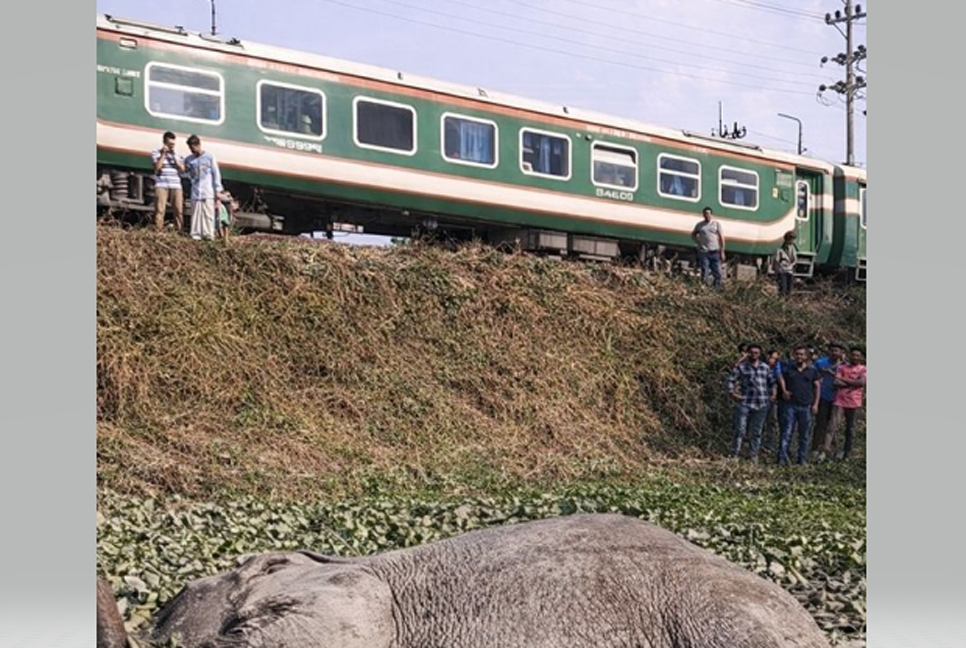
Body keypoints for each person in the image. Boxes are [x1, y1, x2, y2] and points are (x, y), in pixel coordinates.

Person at [727, 343, 776, 463]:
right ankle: (735, 454)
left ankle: (753, 455)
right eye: (752, 352)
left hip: (762, 403)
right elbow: (731, 380)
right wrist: (732, 393)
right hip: (745, 402)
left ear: (760, 354)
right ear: (748, 353)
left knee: (757, 431)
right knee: (740, 430)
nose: (754, 355)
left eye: (757, 353)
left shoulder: (765, 367)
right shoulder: (742, 367)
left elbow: (772, 382)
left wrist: (773, 394)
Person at [777, 345, 822, 465]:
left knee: (804, 434)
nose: (799, 356)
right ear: (794, 355)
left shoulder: (812, 370)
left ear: (806, 356)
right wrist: (784, 390)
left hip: (806, 406)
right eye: (797, 354)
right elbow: (779, 377)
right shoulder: (788, 369)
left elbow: (817, 387)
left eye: (802, 354)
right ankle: (782, 458)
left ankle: (802, 459)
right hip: (790, 405)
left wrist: (816, 404)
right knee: (787, 432)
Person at [825, 346, 867, 460]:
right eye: (853, 355)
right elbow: (836, 382)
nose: (855, 357)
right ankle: (827, 451)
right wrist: (854, 382)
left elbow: (861, 383)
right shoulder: (841, 367)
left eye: (858, 355)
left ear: (861, 357)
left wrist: (844, 379)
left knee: (850, 429)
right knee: (832, 427)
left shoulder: (863, 369)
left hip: (854, 402)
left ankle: (847, 453)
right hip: (840, 401)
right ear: (849, 355)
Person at [811, 342, 846, 461]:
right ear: (828, 351)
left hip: (839, 399)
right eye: (832, 350)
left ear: (842, 353)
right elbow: (812, 377)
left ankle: (832, 449)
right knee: (820, 424)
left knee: (834, 426)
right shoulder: (820, 363)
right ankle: (815, 449)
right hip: (823, 397)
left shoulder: (844, 366)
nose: (834, 353)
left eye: (837, 350)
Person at [184, 134, 224, 241]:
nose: (192, 151)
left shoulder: (210, 157)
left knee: (208, 213)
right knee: (196, 213)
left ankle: (208, 234)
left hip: (208, 191)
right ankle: (196, 234)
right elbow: (185, 173)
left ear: (198, 145)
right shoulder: (189, 160)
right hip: (196, 190)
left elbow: (216, 174)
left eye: (193, 148)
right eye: (190, 149)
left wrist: (218, 189)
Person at [150, 131, 186, 232]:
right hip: (161, 184)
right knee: (160, 209)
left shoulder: (178, 155)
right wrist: (163, 155)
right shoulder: (155, 153)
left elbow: (182, 169)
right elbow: (157, 168)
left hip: (176, 185)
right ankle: (158, 230)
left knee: (178, 210)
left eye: (173, 144)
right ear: (164, 142)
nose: (171, 146)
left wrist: (174, 157)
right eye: (169, 144)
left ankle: (179, 231)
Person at [691, 207, 725, 289]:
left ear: (711, 215)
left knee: (717, 272)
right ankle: (704, 288)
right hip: (704, 252)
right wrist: (699, 243)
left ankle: (717, 288)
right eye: (706, 214)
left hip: (715, 252)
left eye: (709, 214)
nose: (707, 215)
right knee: (705, 271)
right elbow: (693, 235)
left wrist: (722, 251)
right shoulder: (699, 225)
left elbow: (721, 237)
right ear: (703, 215)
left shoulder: (716, 224)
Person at [761, 349, 784, 456]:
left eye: (776, 359)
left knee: (771, 421)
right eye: (772, 358)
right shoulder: (760, 366)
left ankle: (768, 445)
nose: (773, 361)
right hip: (759, 398)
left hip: (771, 398)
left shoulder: (776, 367)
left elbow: (777, 380)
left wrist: (775, 394)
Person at [774, 230, 798, 297]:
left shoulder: (793, 249)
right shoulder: (780, 249)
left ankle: (787, 302)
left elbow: (795, 259)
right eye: (791, 239)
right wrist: (777, 271)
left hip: (790, 271)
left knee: (789, 289)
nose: (792, 241)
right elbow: (776, 260)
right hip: (782, 271)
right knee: (783, 288)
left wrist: (792, 266)